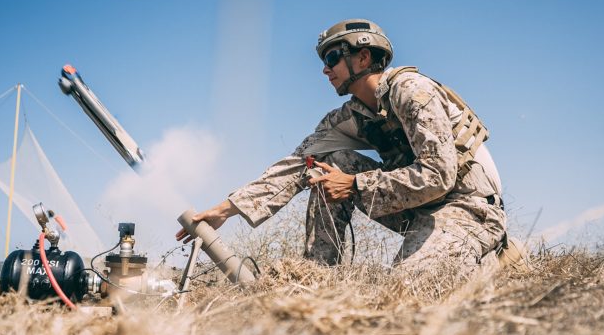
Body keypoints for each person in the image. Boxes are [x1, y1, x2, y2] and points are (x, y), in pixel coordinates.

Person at [176, 19, 507, 275]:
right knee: (329, 164)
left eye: (333, 57)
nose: (325, 69)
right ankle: (318, 276)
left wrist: (355, 185)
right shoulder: (350, 117)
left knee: (409, 288)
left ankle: (494, 259)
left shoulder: (411, 91)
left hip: (469, 209)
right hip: (421, 211)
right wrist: (224, 209)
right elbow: (295, 166)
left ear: (363, 57)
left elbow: (439, 174)